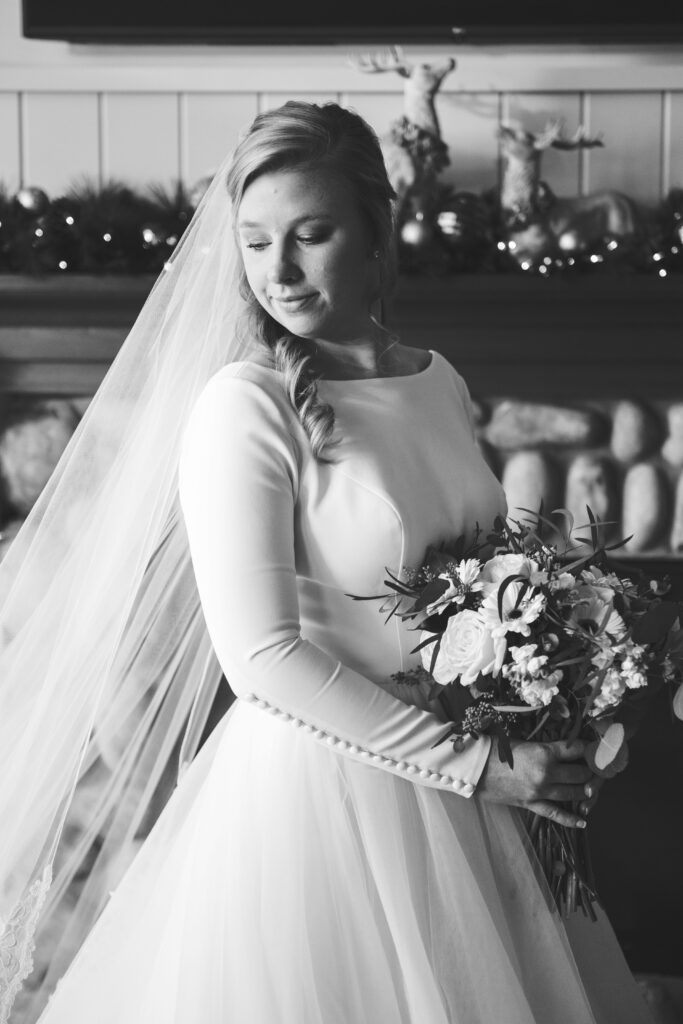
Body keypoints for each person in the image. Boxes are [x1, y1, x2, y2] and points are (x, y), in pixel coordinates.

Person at [0, 101, 654, 1024]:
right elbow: (261, 657)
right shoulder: (243, 406)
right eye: (257, 240)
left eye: (311, 235)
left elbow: (476, 582)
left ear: (376, 234)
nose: (279, 269)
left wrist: (555, 709)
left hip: (480, 790)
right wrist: (476, 762)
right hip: (331, 795)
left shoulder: (435, 378)